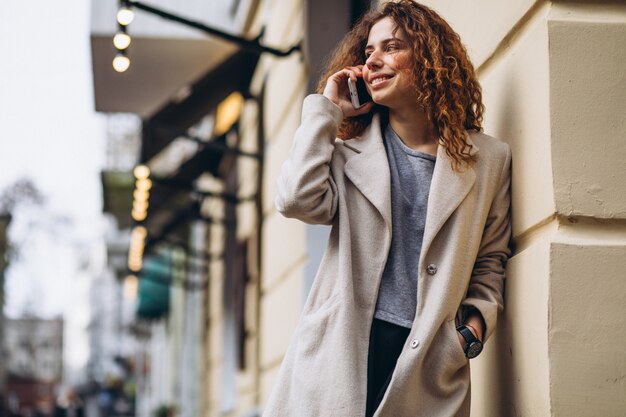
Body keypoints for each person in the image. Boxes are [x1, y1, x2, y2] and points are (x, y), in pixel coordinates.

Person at [266, 1, 512, 416]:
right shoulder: (348, 156)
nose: (373, 61)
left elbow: (491, 260)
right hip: (340, 355)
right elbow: (294, 199)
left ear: (430, 57)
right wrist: (326, 111)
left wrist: (470, 332)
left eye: (391, 47)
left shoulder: (488, 160)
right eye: (368, 53)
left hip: (429, 363)